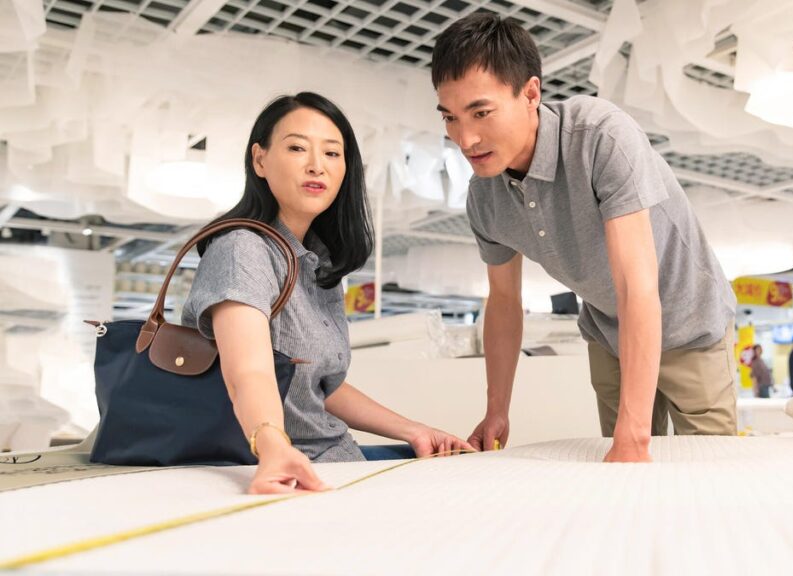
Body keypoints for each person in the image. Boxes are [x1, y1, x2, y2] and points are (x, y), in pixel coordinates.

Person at [431, 14, 738, 463]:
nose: (466, 138)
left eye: (480, 112)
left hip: (692, 327)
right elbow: (502, 302)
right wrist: (497, 410)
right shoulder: (485, 197)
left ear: (531, 93)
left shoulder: (600, 137)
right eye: (451, 118)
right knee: (623, 479)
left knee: (709, 470)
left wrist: (632, 435)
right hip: (610, 335)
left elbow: (637, 286)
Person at [181, 92, 472, 495]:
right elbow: (248, 371)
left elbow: (322, 386)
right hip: (289, 462)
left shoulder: (318, 264)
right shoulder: (241, 247)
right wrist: (273, 448)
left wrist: (415, 431)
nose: (317, 165)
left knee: (464, 469)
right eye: (297, 147)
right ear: (260, 160)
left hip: (335, 454)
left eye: (333, 154)